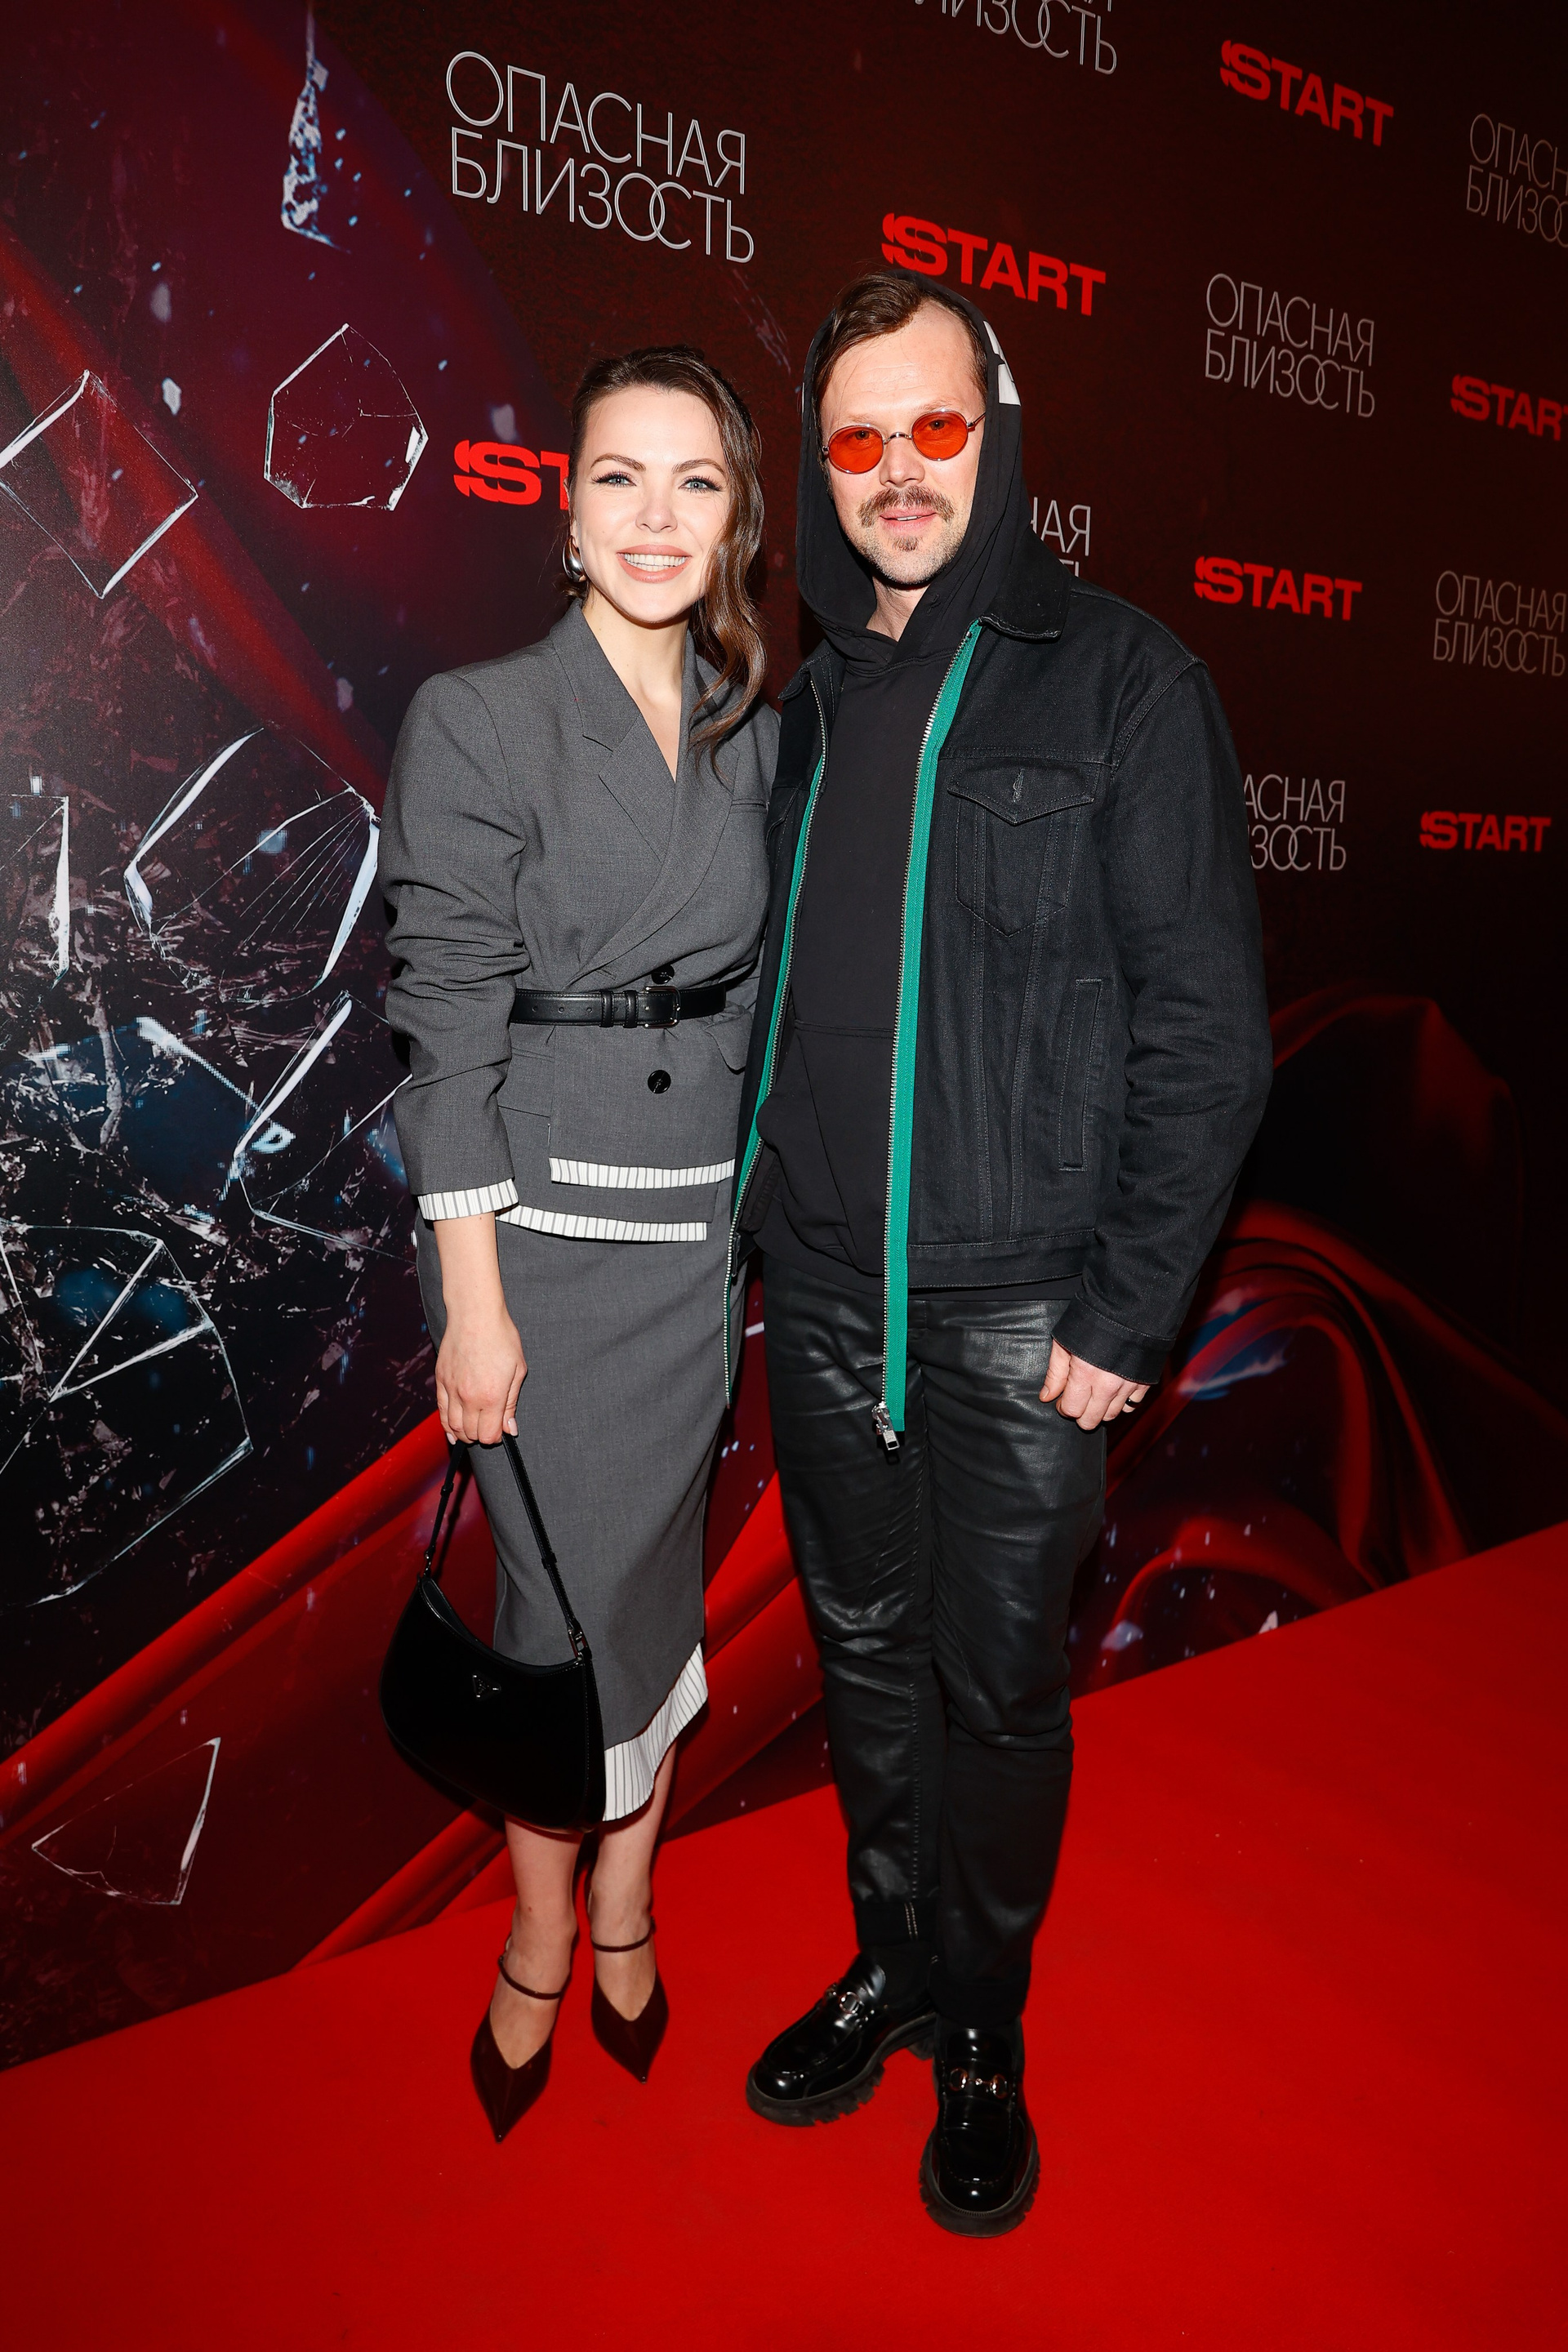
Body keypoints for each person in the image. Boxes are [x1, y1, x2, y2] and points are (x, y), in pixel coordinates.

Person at [731, 274, 1272, 2234]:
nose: (898, 471)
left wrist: (1129, 1310)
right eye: (859, 437)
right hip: (820, 1290)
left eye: (936, 427)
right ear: (822, 467)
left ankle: (982, 2020)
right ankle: (890, 1961)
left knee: (1000, 1686)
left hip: (1025, 1309)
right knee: (866, 1658)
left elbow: (1207, 1034)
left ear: (1002, 428)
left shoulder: (1122, 681)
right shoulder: (803, 708)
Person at [381, 346, 775, 2142]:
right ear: (567, 510)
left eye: (695, 481)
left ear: (737, 516)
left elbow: (758, 995)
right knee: (554, 1619)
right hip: (532, 1248)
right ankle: (545, 1923)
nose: (655, 517)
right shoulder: (481, 718)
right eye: (620, 477)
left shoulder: (756, 726)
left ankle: (630, 1888)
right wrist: (473, 1310)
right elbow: (446, 1025)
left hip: (689, 1244)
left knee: (651, 1594)